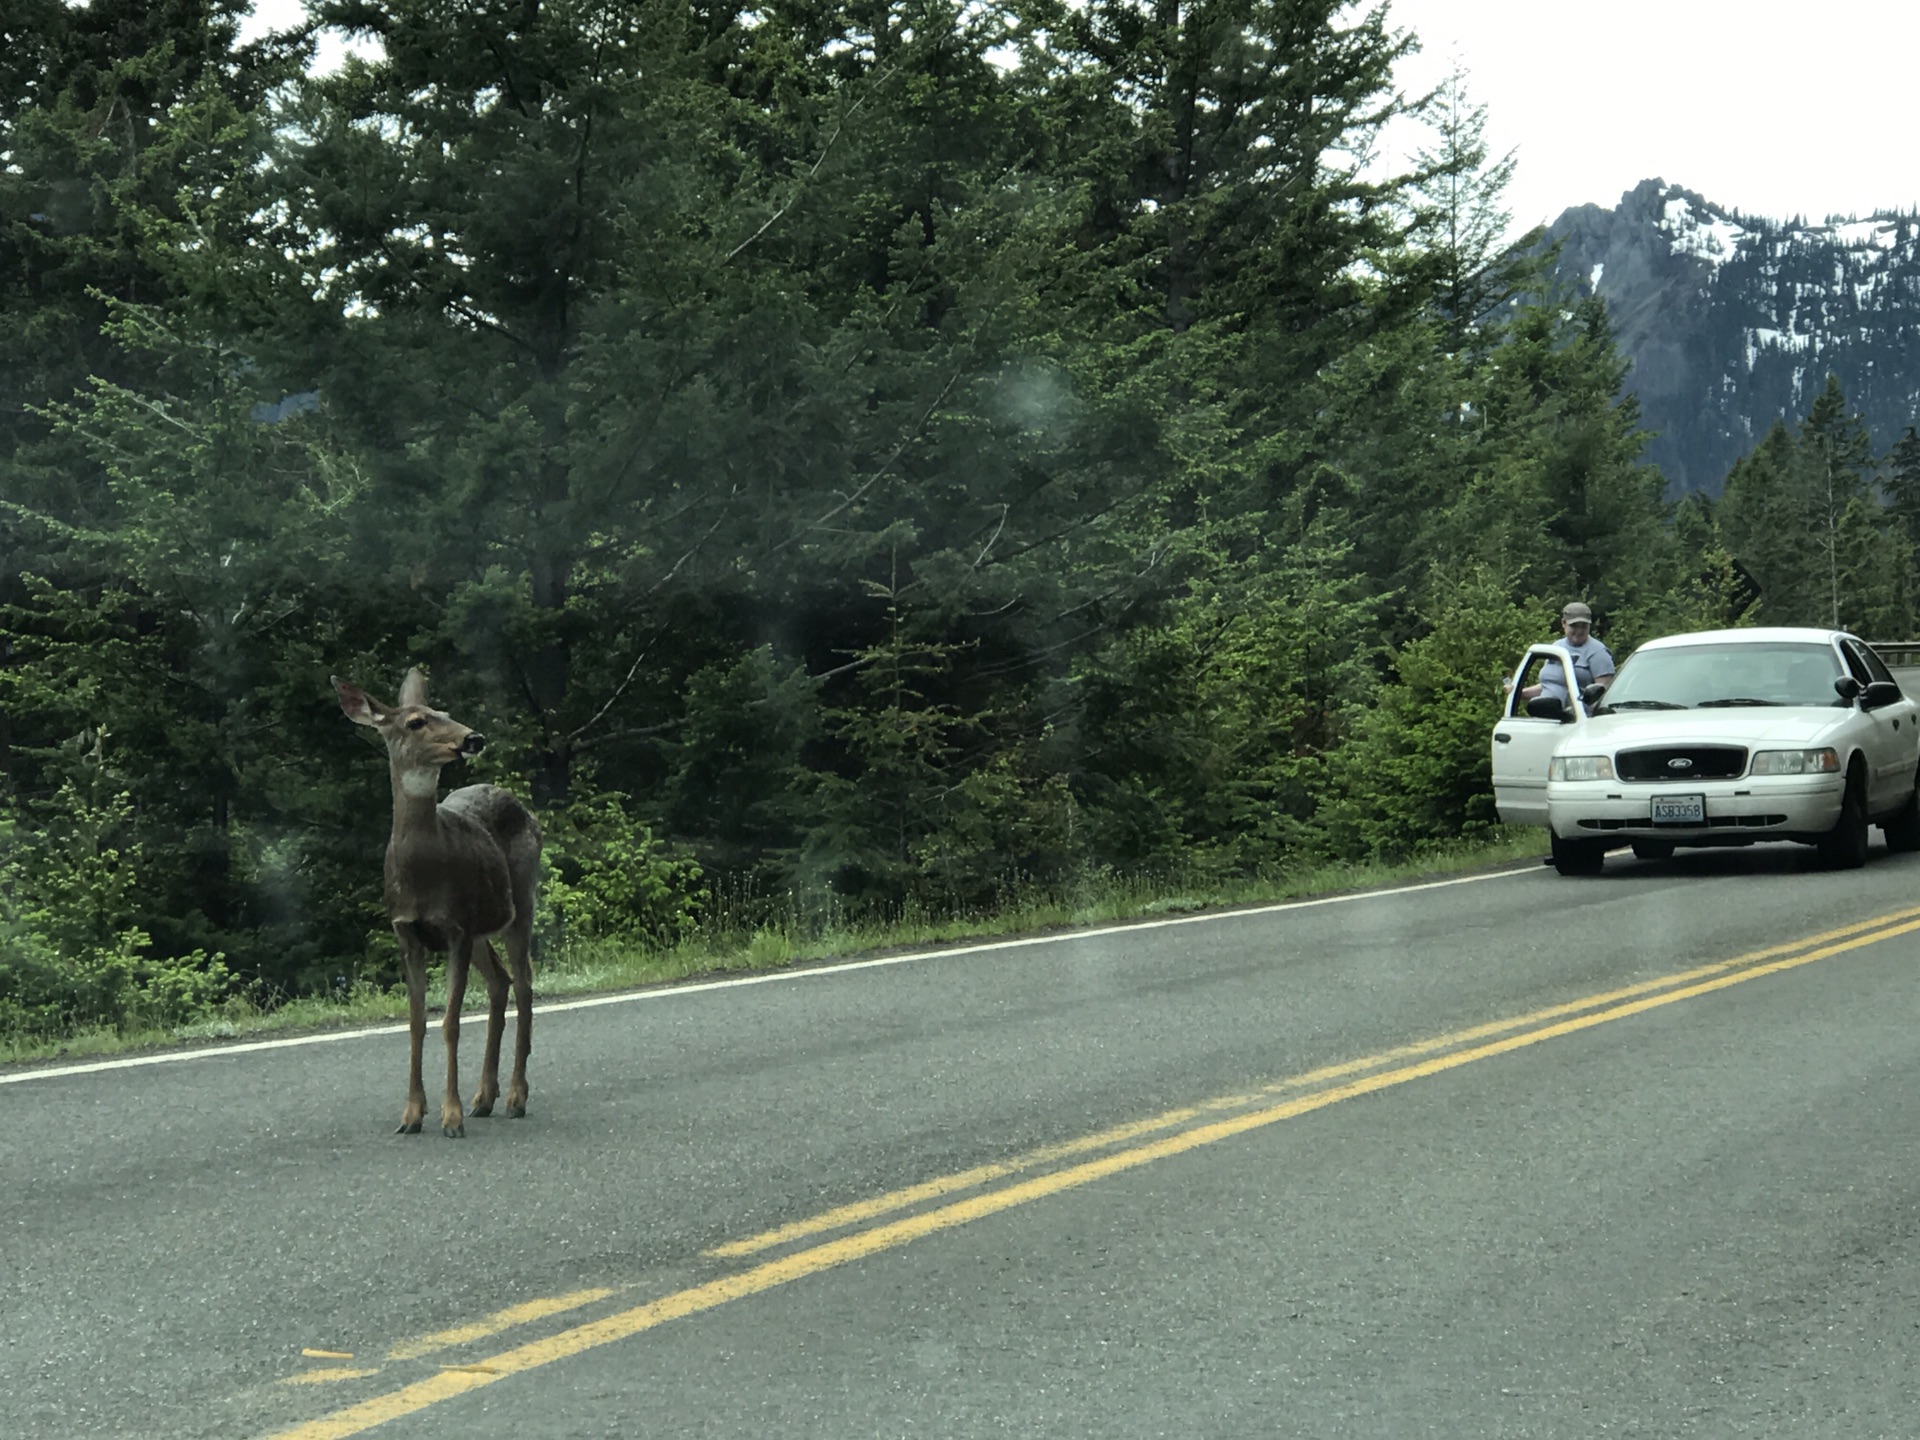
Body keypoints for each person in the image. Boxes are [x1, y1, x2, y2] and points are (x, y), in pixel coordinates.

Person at [1512, 601, 1615, 706]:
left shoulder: (1598, 652)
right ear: (1563, 623)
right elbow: (1550, 685)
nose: (1579, 631)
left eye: (1584, 626)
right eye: (1574, 626)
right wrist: (1519, 693)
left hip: (1577, 718)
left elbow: (1604, 694)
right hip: (1546, 715)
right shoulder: (1556, 647)